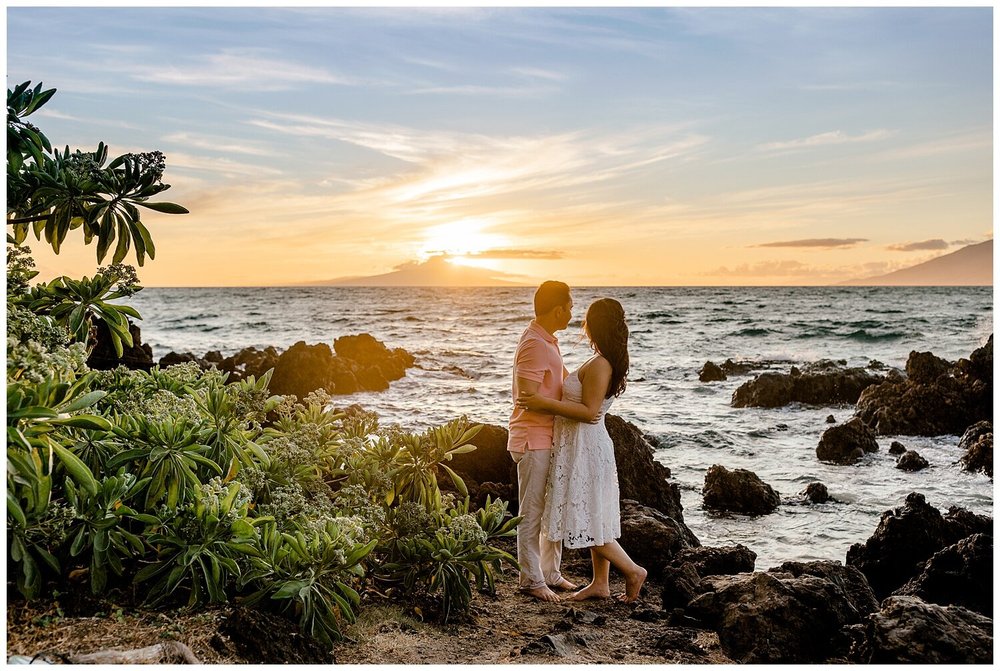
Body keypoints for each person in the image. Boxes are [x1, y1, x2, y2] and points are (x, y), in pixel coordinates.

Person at [516, 297, 647, 603]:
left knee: (585, 519)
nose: (581, 321)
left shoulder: (601, 364)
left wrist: (540, 403)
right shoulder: (600, 359)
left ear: (596, 324)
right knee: (594, 514)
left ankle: (633, 571)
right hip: (582, 445)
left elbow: (589, 412)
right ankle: (600, 584)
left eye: (586, 317)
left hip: (586, 447)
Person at [507, 280, 580, 602]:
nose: (572, 312)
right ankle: (531, 580)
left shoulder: (547, 340)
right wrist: (575, 411)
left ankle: (550, 573)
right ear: (558, 309)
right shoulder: (535, 344)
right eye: (570, 306)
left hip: (548, 438)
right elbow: (527, 398)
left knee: (552, 510)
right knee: (532, 511)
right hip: (531, 439)